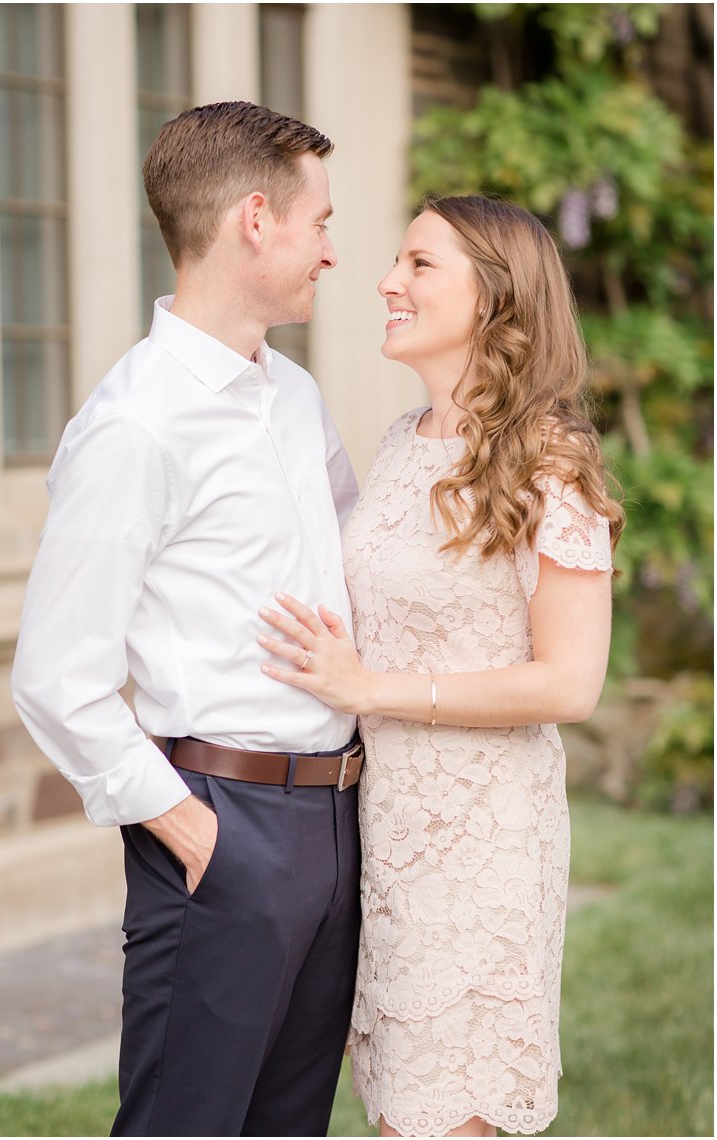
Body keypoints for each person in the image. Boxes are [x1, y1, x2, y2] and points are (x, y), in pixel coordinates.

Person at [11, 101, 362, 1137]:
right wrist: (185, 828)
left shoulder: (293, 397)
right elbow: (55, 673)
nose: (332, 253)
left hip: (336, 817)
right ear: (255, 219)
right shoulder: (134, 425)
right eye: (320, 223)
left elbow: (355, 575)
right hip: (221, 822)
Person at [256, 195, 621, 1137]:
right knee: (394, 1108)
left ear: (496, 299)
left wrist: (371, 691)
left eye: (421, 265)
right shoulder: (395, 448)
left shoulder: (551, 465)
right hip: (381, 835)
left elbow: (569, 684)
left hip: (484, 841)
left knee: (446, 1114)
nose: (387, 280)